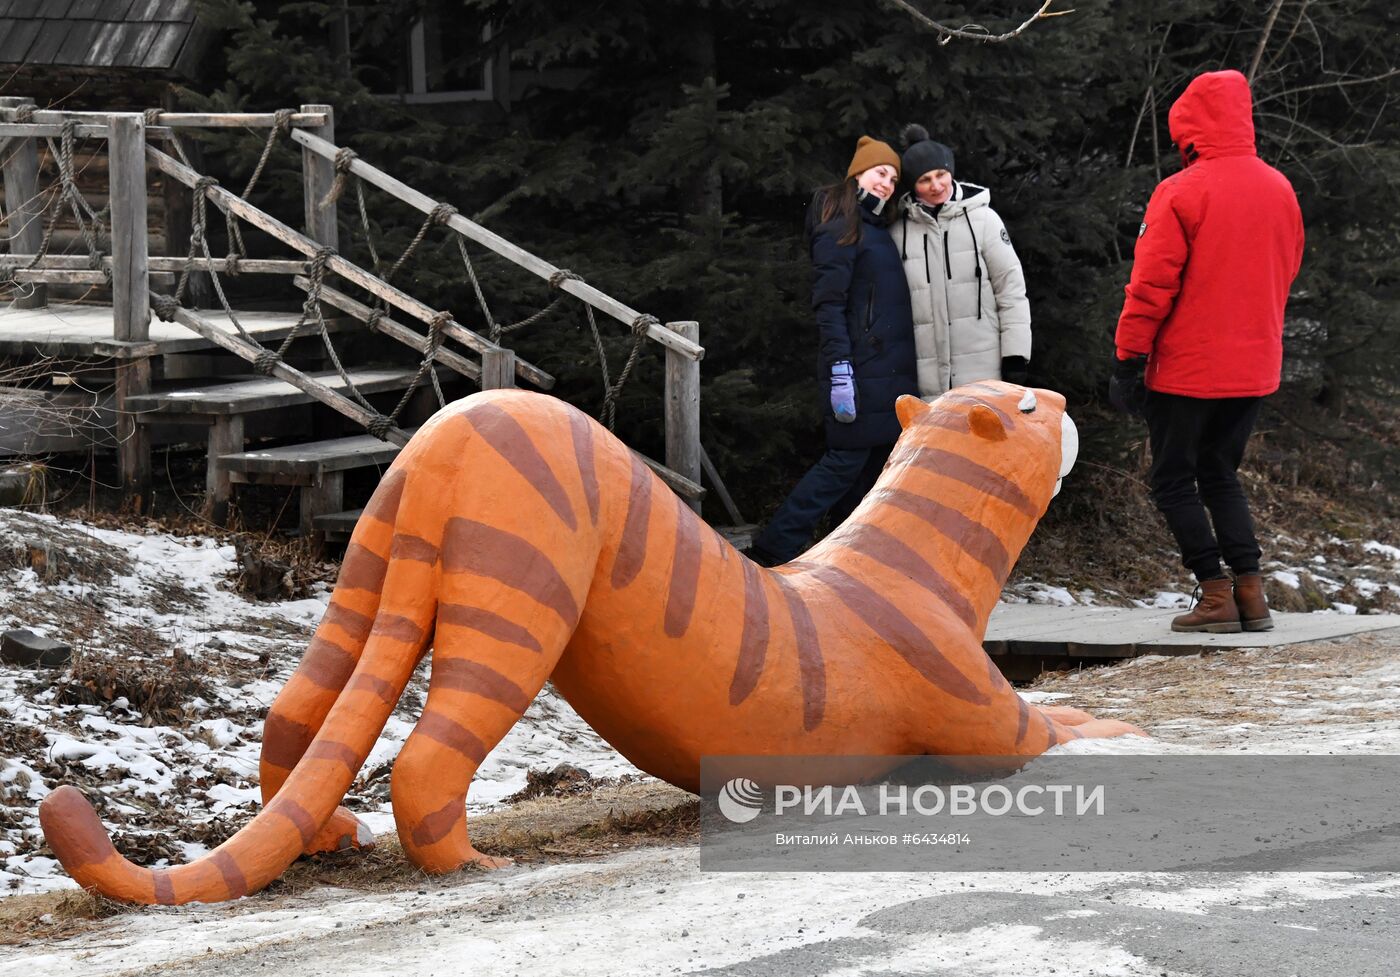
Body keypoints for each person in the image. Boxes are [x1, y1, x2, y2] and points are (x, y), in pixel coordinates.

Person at [1109, 69, 1304, 634]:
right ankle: (1251, 592)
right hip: (1255, 364)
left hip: (1189, 369)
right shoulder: (1279, 187)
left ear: (1190, 129)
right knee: (1221, 472)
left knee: (1173, 478)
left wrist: (1127, 357)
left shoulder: (1181, 191)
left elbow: (1151, 287)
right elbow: (1287, 269)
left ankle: (1214, 594)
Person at [746, 136, 919, 567]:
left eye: (893, 178)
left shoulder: (877, 226)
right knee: (844, 462)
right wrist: (841, 367)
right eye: (880, 172)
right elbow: (829, 304)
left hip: (887, 372)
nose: (886, 184)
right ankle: (772, 549)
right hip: (858, 369)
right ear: (857, 172)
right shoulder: (840, 222)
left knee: (869, 470)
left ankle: (843, 557)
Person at [895, 125, 1031, 397]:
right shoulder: (898, 232)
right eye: (925, 179)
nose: (936, 186)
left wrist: (1016, 355)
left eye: (941, 174)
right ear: (913, 185)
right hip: (925, 382)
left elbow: (1011, 289)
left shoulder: (984, 220)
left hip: (983, 374)